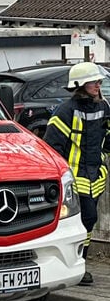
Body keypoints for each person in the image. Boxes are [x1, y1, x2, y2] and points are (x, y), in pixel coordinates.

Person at [44, 61, 110, 287]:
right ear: (81, 84)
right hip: (75, 177)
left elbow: (107, 136)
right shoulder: (65, 111)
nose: (98, 85)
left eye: (99, 81)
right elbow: (53, 146)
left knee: (89, 220)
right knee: (86, 217)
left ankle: (80, 262)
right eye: (94, 81)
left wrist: (103, 159)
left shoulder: (103, 107)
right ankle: (78, 264)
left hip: (96, 176)